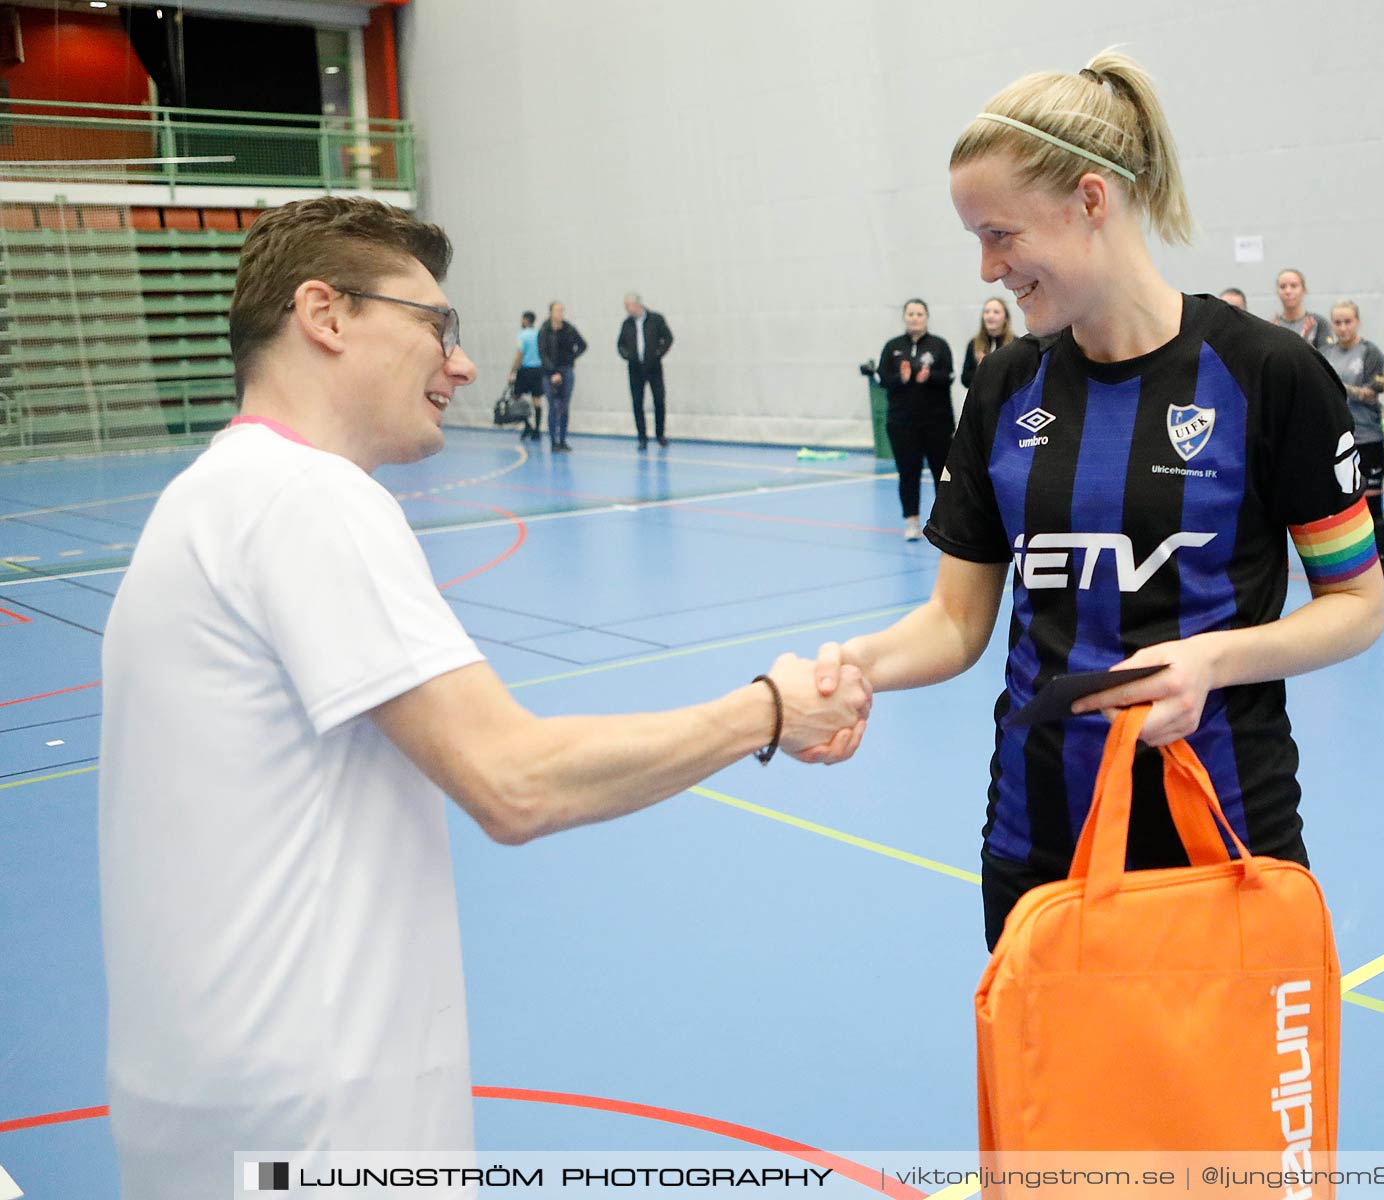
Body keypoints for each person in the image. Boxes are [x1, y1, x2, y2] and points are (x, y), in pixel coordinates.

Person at [97, 196, 872, 1198]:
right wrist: (766, 710)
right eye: (435, 325)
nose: (460, 365)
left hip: (210, 1111)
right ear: (326, 316)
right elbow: (513, 781)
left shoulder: (208, 496)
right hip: (319, 1125)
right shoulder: (308, 498)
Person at [806, 47, 1384, 950]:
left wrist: (1212, 663)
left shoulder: (1268, 375)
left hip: (1225, 837)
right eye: (976, 240)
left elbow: (1355, 606)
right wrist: (855, 665)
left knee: (1215, 1099)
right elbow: (956, 623)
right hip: (1038, 845)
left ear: (1088, 199)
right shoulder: (1003, 389)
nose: (988, 270)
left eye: (1000, 234)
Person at [1322, 300, 1384, 580]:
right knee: (1339, 508)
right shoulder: (1324, 353)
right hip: (1336, 440)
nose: (1342, 328)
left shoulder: (1370, 352)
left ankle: (1383, 566)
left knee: (1373, 506)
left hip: (1367, 436)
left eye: (1347, 322)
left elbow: (1374, 392)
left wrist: (1339, 387)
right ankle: (1345, 570)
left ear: (1357, 322)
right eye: (1337, 323)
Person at [877, 299, 956, 540]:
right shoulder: (892, 347)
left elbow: (949, 376)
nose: (914, 318)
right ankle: (911, 521)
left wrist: (928, 377)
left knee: (940, 473)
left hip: (936, 422)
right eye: (910, 313)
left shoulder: (939, 346)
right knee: (907, 472)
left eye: (919, 313)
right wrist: (901, 378)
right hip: (902, 423)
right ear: (904, 317)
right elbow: (882, 378)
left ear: (926, 317)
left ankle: (944, 523)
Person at [616, 292, 673, 449]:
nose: (626, 309)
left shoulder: (656, 319)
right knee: (637, 403)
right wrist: (627, 356)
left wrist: (658, 354)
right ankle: (642, 437)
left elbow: (668, 338)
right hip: (635, 369)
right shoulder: (626, 324)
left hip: (653, 367)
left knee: (659, 400)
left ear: (636, 304)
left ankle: (660, 434)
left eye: (628, 305)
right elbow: (620, 344)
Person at [537, 299, 587, 452]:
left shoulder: (569, 328)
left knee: (564, 406)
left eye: (562, 310)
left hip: (566, 371)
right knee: (553, 406)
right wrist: (553, 372)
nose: (560, 313)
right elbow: (543, 353)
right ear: (551, 312)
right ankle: (554, 441)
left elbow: (582, 345)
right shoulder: (544, 330)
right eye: (557, 310)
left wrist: (571, 358)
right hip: (549, 373)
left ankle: (563, 440)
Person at [962, 295, 1016, 390]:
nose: (990, 316)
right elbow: (965, 380)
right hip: (981, 402)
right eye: (987, 312)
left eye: (996, 312)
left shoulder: (1016, 344)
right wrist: (980, 369)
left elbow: (1020, 379)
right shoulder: (974, 344)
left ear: (1006, 318)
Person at [1271, 269, 1331, 348]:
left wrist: (1306, 341)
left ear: (1304, 290)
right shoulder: (1271, 325)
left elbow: (1327, 356)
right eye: (1283, 287)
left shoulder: (1318, 322)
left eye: (1293, 286)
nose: (1288, 291)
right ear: (1277, 291)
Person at [508, 309, 543, 441]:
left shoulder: (522, 335)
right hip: (538, 370)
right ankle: (537, 430)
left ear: (526, 320)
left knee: (516, 397)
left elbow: (519, 354)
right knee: (537, 401)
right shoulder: (538, 334)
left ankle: (528, 425)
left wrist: (513, 371)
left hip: (525, 370)